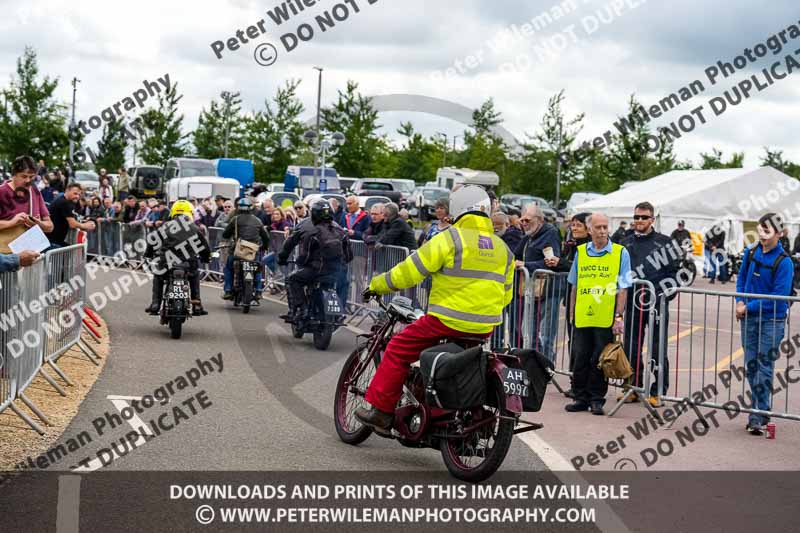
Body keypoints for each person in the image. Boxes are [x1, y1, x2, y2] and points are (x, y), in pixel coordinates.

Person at [354, 186, 514, 430]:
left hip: (445, 321)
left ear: (457, 209)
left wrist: (377, 285)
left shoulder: (450, 239)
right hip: (484, 326)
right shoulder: (503, 249)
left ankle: (382, 412)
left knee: (398, 348)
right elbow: (506, 294)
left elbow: (408, 272)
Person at [566, 212, 632, 415]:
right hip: (583, 315)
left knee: (599, 358)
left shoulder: (620, 253)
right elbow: (575, 284)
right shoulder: (581, 252)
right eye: (598, 227)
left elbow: (623, 288)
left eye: (605, 227)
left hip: (605, 316)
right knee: (580, 357)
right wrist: (571, 311)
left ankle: (596, 399)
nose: (602, 231)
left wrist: (618, 316)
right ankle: (580, 397)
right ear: (590, 230)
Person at [736, 213, 794, 435]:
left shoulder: (784, 262)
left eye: (767, 231)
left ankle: (759, 414)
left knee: (764, 367)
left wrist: (747, 307)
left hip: (772, 320)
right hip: (749, 318)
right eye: (760, 229)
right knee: (751, 366)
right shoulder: (750, 253)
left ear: (779, 234)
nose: (762, 235)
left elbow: (778, 296)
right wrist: (740, 300)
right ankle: (760, 410)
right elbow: (741, 279)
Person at [620, 202, 680, 406]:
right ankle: (632, 387)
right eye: (636, 217)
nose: (639, 221)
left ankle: (658, 391)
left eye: (644, 217)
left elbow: (676, 274)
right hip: (632, 303)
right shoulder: (625, 242)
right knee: (631, 346)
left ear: (652, 219)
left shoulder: (665, 243)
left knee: (657, 348)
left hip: (656, 304)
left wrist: (664, 295)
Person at [277, 199, 352, 321]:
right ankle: (340, 312)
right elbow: (349, 256)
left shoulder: (306, 227)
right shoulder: (339, 229)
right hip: (335, 271)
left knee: (292, 279)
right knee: (344, 282)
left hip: (315, 270)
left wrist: (283, 258)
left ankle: (301, 309)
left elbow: (297, 250)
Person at [144, 200, 211, 316]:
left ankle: (155, 304)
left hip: (167, 262)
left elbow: (152, 241)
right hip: (188, 263)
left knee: (159, 277)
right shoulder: (195, 228)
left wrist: (148, 254)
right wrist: (206, 258)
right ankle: (197, 306)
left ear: (173, 212)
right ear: (190, 212)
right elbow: (204, 246)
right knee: (194, 277)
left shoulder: (166, 226)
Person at [514, 203, 562, 361]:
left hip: (549, 291)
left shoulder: (551, 233)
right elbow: (515, 255)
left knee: (545, 335)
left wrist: (525, 265)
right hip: (530, 290)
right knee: (527, 331)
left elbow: (551, 263)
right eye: (522, 220)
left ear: (539, 220)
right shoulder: (528, 236)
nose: (524, 223)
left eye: (527, 220)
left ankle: (547, 366)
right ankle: (535, 365)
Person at [553, 212, 591, 398]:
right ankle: (575, 382)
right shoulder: (572, 245)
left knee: (583, 344)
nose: (574, 228)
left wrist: (560, 262)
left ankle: (585, 384)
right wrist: (556, 261)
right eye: (572, 225)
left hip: (589, 301)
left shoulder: (590, 247)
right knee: (573, 342)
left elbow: (578, 267)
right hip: (571, 299)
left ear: (587, 227)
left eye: (578, 225)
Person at [0, 155, 54, 254]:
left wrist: (38, 223)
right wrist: (11, 222)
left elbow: (50, 227)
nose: (28, 180)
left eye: (31, 177)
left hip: (30, 259)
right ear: (14, 175)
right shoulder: (2, 192)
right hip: (5, 258)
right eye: (24, 176)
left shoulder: (34, 191)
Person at [221, 198, 270, 301]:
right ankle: (258, 291)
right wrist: (264, 247)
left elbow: (225, 234)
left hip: (238, 251)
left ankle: (228, 290)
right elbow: (266, 237)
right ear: (250, 208)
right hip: (253, 251)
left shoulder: (235, 220)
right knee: (257, 269)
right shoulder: (258, 220)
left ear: (238, 207)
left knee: (229, 268)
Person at [47, 182, 97, 247]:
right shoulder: (64, 202)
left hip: (57, 241)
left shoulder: (68, 202)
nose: (77, 196)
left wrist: (84, 222)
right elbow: (72, 224)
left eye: (79, 195)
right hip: (53, 241)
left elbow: (72, 218)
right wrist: (85, 225)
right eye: (75, 193)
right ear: (67, 190)